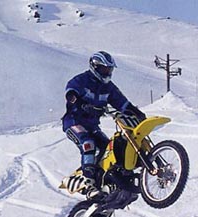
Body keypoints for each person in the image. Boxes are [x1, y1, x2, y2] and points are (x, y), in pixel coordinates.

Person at [62, 51, 146, 192]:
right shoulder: (82, 80)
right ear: (94, 67)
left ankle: (106, 180)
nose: (107, 72)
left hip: (92, 125)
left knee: (110, 150)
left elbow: (123, 103)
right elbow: (70, 93)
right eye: (104, 69)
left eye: (109, 69)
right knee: (88, 143)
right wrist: (81, 104)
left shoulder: (109, 88)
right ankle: (88, 182)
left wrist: (137, 113)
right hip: (74, 122)